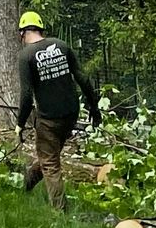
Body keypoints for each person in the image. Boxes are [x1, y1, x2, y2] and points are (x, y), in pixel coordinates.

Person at [15, 11, 100, 208]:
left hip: (48, 119)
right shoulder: (61, 45)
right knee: (49, 154)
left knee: (51, 163)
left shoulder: (25, 56)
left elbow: (26, 95)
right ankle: (28, 184)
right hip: (71, 113)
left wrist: (20, 123)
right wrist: (94, 108)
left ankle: (60, 211)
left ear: (22, 33)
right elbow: (83, 78)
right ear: (40, 29)